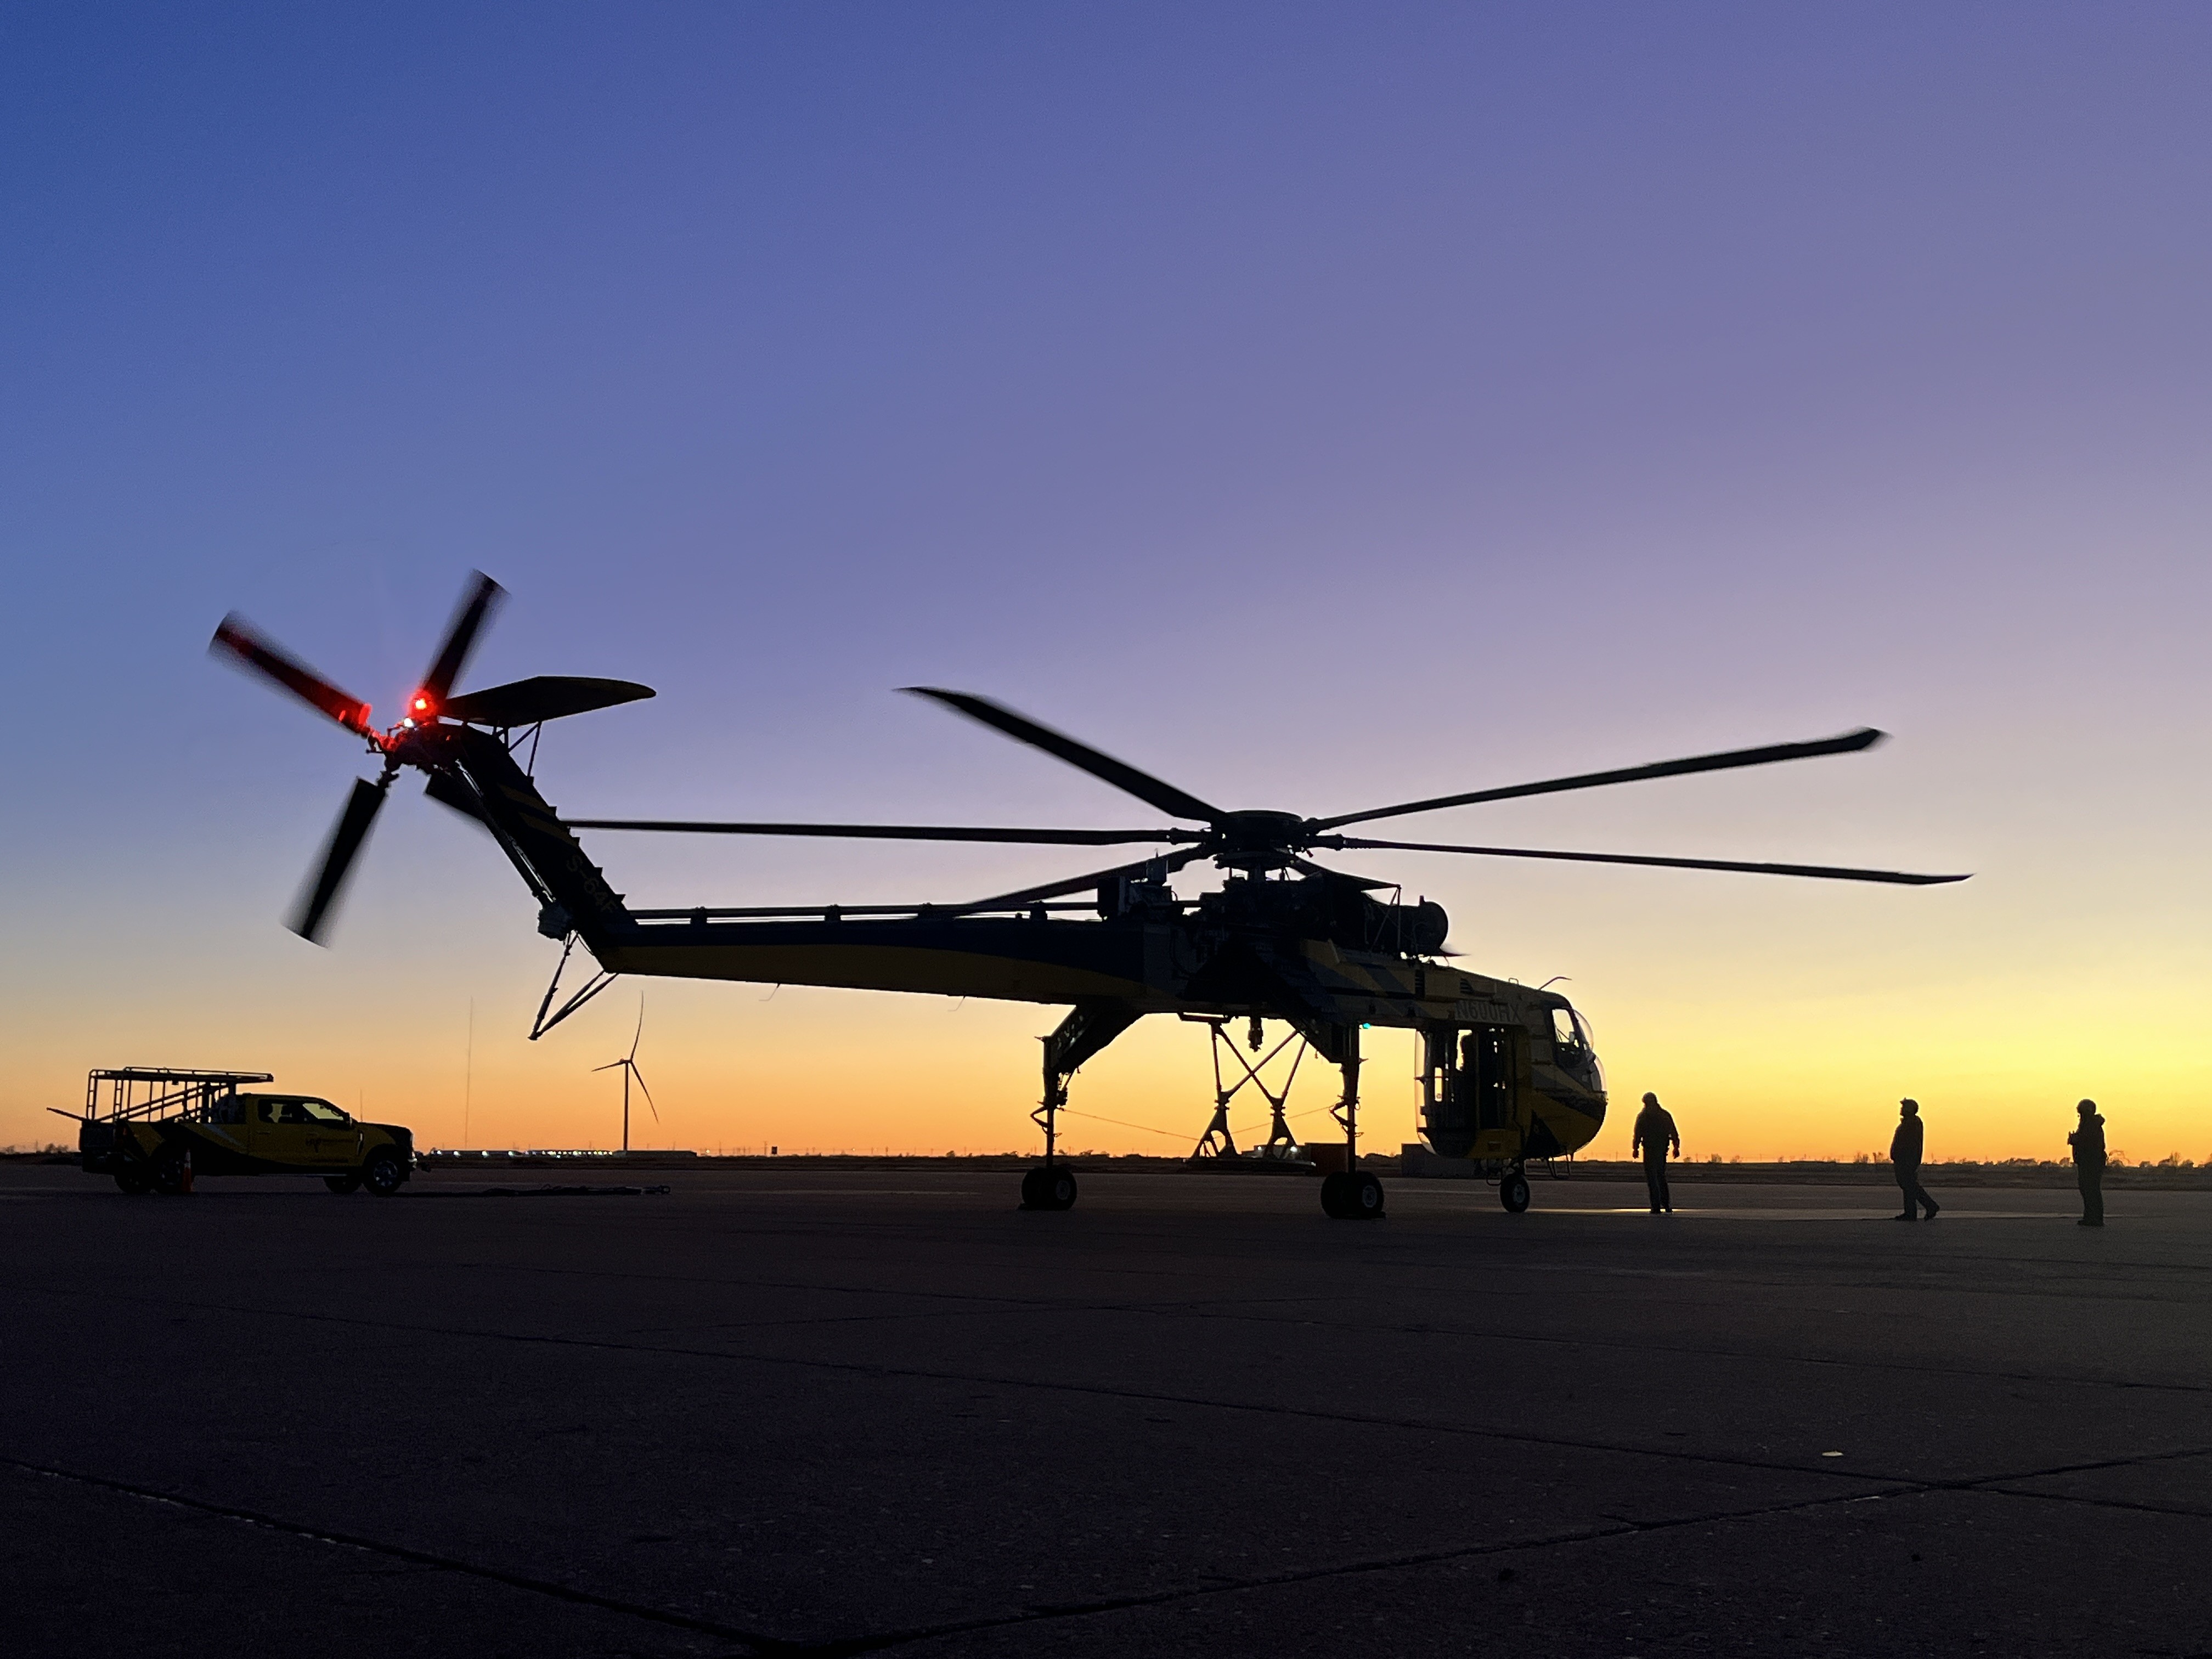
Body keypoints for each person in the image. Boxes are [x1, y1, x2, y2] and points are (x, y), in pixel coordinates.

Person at [1632, 1092, 1680, 1214]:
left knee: (1653, 1178)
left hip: (1651, 1150)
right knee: (1660, 1176)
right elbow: (1674, 1133)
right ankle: (1666, 1204)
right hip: (1660, 1150)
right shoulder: (1664, 1115)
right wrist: (1676, 1147)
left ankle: (1656, 1206)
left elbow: (1638, 1133)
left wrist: (1636, 1148)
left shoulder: (1643, 1117)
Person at [1891, 1099, 1939, 1220]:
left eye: (1904, 1107)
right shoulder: (1909, 1123)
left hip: (1907, 1160)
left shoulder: (1912, 1123)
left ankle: (1930, 1206)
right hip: (1905, 1160)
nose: (1901, 1109)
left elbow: (1910, 1144)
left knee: (1910, 1185)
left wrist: (1906, 1159)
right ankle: (1911, 1213)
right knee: (1908, 1186)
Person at [2068, 1099, 2106, 1227]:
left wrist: (2076, 1140)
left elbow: (2089, 1144)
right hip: (2088, 1162)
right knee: (2088, 1190)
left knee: (2091, 1190)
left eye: (2081, 1113)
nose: (2080, 1116)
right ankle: (2091, 1217)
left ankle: (2094, 1218)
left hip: (2091, 1163)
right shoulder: (2088, 1125)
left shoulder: (2090, 1126)